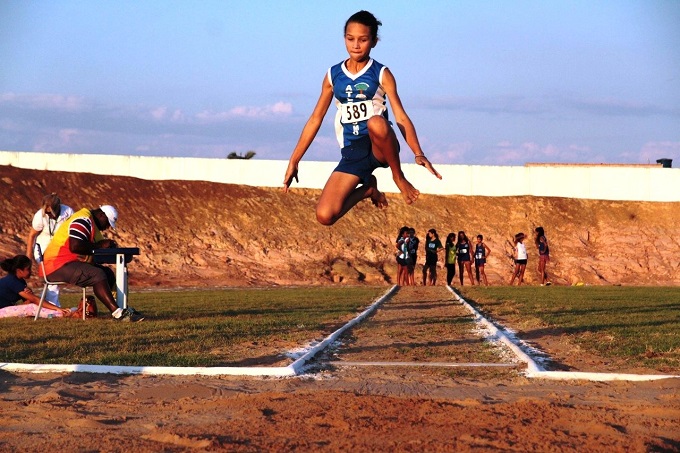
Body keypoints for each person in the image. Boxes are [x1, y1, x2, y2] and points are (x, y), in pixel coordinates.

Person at [282, 10, 442, 226]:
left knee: (375, 122)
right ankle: (368, 190)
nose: (356, 45)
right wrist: (294, 160)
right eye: (350, 39)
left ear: (374, 42)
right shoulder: (333, 75)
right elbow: (315, 119)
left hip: (381, 146)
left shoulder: (381, 73)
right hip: (353, 152)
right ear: (344, 39)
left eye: (363, 40)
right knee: (325, 215)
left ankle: (398, 177)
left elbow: (401, 116)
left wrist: (418, 152)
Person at [42, 205, 144, 322]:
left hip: (65, 263)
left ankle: (122, 308)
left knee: (108, 273)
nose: (107, 227)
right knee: (97, 274)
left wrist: (108, 246)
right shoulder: (82, 220)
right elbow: (75, 246)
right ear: (101, 215)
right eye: (107, 223)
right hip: (56, 265)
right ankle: (118, 313)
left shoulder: (91, 224)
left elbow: (97, 251)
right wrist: (100, 245)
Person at [25, 193, 74, 307]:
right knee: (51, 276)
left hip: (60, 248)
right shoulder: (39, 216)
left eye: (50, 213)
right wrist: (29, 256)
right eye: (46, 213)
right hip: (43, 247)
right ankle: (53, 306)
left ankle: (42, 303)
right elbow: (32, 235)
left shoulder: (68, 212)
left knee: (52, 278)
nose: (48, 215)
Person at [0, 255, 71, 318]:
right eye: (28, 269)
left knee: (33, 306)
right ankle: (58, 314)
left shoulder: (20, 281)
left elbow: (29, 301)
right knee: (32, 307)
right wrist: (55, 308)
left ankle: (59, 312)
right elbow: (35, 300)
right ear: (19, 270)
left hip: (4, 309)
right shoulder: (12, 281)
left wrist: (29, 295)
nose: (31, 272)